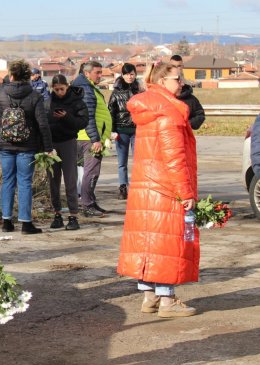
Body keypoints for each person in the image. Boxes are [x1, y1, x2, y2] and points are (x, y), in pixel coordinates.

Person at [118, 63, 199, 318]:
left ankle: (149, 296)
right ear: (162, 81)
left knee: (147, 242)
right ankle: (167, 300)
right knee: (167, 243)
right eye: (177, 78)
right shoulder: (168, 112)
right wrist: (186, 193)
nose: (182, 83)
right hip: (166, 187)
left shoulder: (149, 108)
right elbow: (174, 158)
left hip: (146, 187)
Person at [0, 59, 53, 234]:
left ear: (11, 75)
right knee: (24, 182)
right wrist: (48, 147)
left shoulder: (0, 93)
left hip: (5, 144)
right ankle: (25, 223)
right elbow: (43, 124)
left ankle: (7, 221)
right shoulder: (34, 96)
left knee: (7, 180)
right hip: (27, 146)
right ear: (28, 77)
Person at [46, 74, 88, 231]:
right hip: (52, 145)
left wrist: (66, 117)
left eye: (62, 89)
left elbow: (83, 122)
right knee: (53, 180)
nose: (59, 92)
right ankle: (56, 214)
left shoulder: (77, 101)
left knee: (70, 180)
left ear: (67, 86)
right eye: (56, 89)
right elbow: (43, 122)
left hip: (69, 142)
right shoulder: (48, 101)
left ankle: (73, 215)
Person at [72, 61, 113, 217]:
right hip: (89, 138)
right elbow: (88, 116)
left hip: (88, 136)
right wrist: (95, 139)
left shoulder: (86, 86)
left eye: (101, 72)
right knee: (91, 172)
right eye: (97, 72)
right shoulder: (86, 89)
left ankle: (91, 201)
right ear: (87, 73)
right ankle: (87, 204)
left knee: (90, 171)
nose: (100, 75)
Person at [108, 63, 141, 200]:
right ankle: (123, 187)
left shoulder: (139, 91)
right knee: (122, 162)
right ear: (122, 75)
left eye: (132, 73)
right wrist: (112, 131)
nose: (130, 76)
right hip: (121, 131)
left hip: (137, 130)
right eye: (127, 74)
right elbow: (111, 112)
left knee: (138, 161)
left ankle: (137, 187)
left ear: (135, 74)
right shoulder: (116, 92)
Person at [170, 55, 205, 130]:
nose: (176, 68)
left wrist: (187, 125)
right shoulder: (162, 96)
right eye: (173, 66)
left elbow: (200, 115)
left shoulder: (189, 97)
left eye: (179, 66)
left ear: (182, 66)